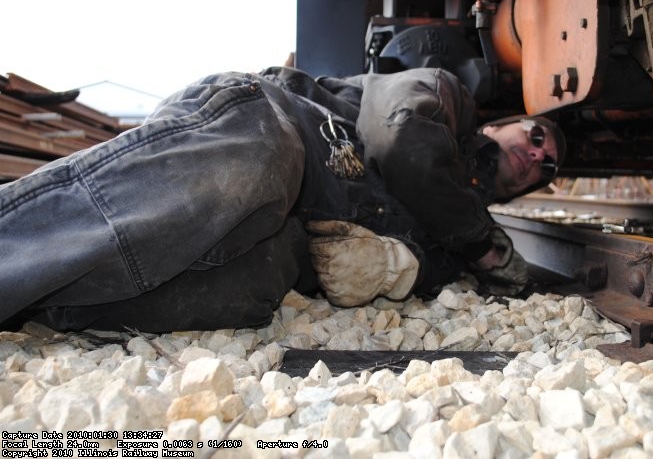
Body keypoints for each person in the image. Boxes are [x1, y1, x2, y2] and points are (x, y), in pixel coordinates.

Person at [0, 66, 565, 332]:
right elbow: (405, 146)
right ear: (508, 122)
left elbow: (422, 268)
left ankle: (37, 302)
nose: (537, 155)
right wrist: (480, 245)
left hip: (294, 236)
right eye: (537, 136)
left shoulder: (459, 223)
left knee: (244, 293)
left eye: (548, 168)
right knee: (259, 164)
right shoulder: (446, 97)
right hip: (276, 131)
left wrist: (399, 264)